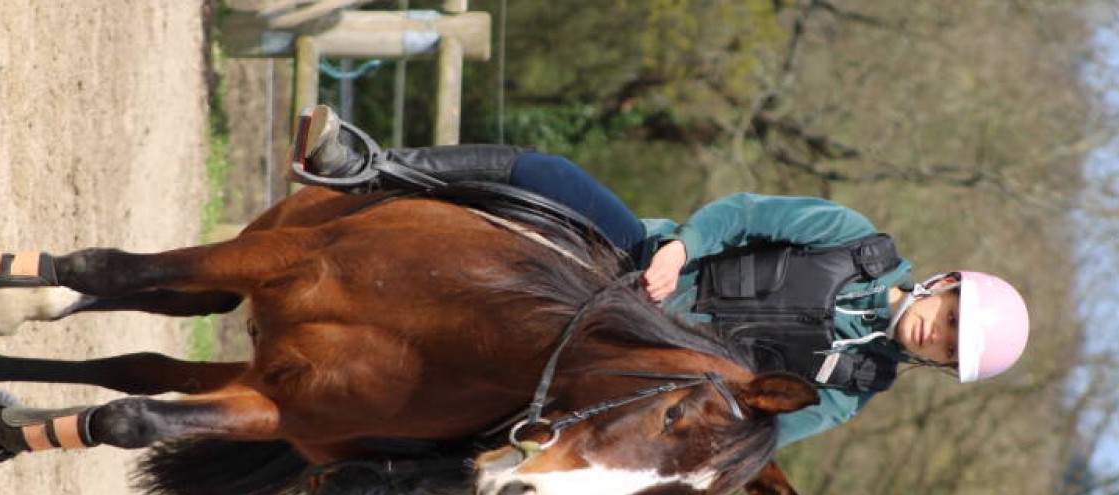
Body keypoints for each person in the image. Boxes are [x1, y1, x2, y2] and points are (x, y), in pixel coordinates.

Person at [290, 105, 1031, 448]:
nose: (941, 333)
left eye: (950, 349)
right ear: (947, 285)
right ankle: (370, 168)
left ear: (937, 366)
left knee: (529, 448)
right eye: (956, 317)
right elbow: (743, 213)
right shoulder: (850, 238)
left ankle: (379, 472)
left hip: (633, 368)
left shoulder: (844, 395)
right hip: (642, 266)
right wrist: (681, 249)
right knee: (552, 172)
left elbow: (749, 427)